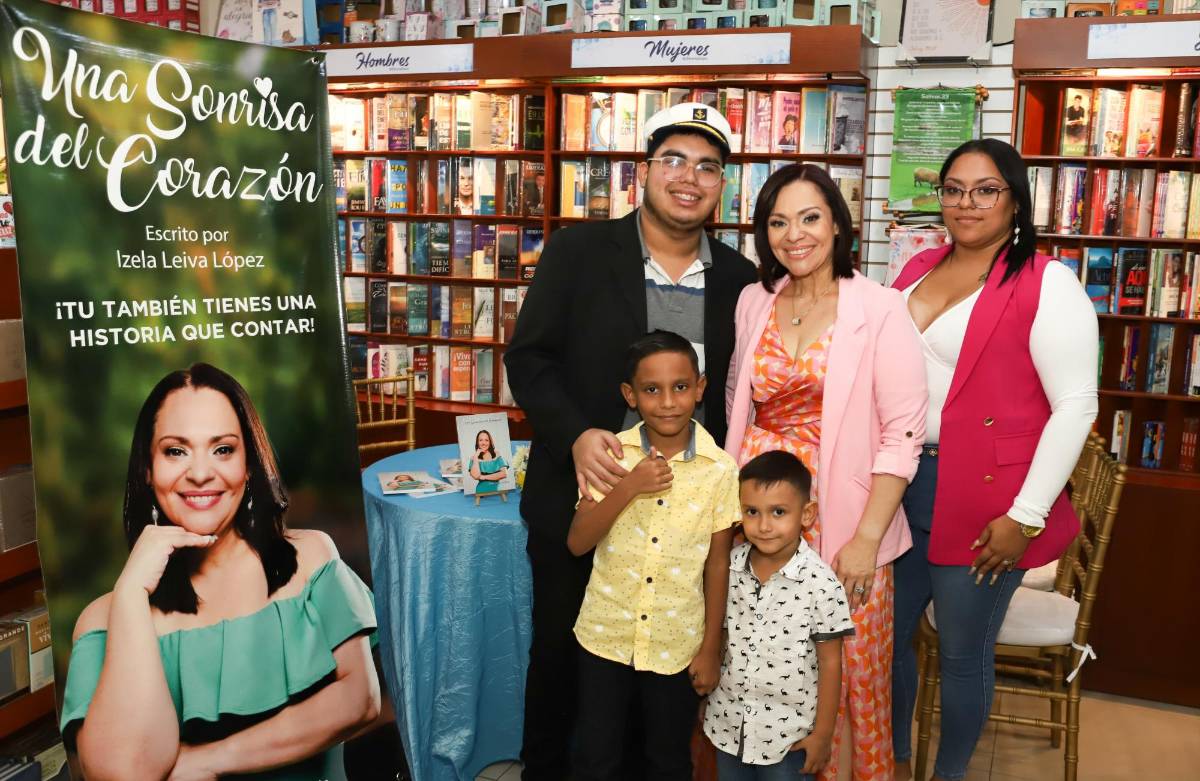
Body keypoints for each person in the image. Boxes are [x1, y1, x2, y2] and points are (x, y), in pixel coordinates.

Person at [504, 102, 756, 780]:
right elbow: (528, 359)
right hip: (583, 505)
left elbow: (731, 397)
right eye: (673, 160)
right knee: (562, 661)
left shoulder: (739, 279)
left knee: (660, 681)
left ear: (722, 185)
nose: (688, 178)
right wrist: (575, 434)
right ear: (643, 172)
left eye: (708, 167)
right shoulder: (579, 251)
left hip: (678, 522)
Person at [890, 138, 1098, 781]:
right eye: (954, 189)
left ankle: (948, 775)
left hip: (987, 499)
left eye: (986, 190)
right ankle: (891, 760)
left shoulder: (1047, 281)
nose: (966, 203)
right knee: (886, 640)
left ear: (1015, 200)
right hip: (901, 484)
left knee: (960, 651)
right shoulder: (917, 266)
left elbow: (1076, 406)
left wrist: (1025, 516)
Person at [60, 363, 380, 781]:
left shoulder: (310, 559)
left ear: (247, 464)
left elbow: (360, 700)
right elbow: (123, 774)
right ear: (147, 469)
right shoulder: (105, 618)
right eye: (176, 450)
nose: (199, 472)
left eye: (223, 449)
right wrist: (132, 592)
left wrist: (210, 759)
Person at [725, 163, 927, 781]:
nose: (795, 235)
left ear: (837, 224)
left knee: (848, 668)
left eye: (810, 218)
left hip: (846, 522)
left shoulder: (881, 306)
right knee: (760, 662)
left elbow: (904, 432)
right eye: (778, 222)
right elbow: (739, 395)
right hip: (759, 511)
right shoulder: (755, 299)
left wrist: (866, 539)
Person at [567, 331, 740, 781]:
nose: (667, 402)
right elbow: (577, 541)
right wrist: (629, 486)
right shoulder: (611, 455)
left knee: (666, 761)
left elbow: (718, 562)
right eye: (651, 389)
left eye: (680, 387)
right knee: (596, 758)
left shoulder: (720, 469)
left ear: (700, 388)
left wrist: (710, 648)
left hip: (675, 644)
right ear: (630, 395)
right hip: (605, 637)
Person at [703, 450, 855, 781]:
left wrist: (823, 735)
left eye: (779, 512)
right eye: (752, 512)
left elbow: (831, 662)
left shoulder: (822, 583)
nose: (764, 525)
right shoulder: (728, 567)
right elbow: (720, 636)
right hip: (729, 726)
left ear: (807, 514)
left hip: (789, 739)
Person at [469, 429, 509, 494]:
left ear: (490, 442)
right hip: (481, 492)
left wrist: (484, 477)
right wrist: (476, 457)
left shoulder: (497, 454)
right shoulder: (474, 458)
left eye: (486, 440)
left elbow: (504, 474)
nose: (483, 443)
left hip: (498, 491)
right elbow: (476, 476)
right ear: (477, 442)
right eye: (480, 440)